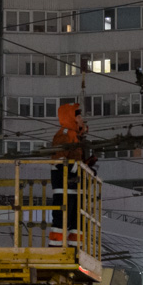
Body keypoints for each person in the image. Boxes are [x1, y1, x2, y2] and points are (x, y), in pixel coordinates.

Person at [47, 103, 94, 247]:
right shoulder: (64, 135)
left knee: (77, 221)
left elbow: (74, 161)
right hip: (64, 186)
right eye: (78, 116)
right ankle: (55, 248)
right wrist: (82, 170)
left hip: (75, 186)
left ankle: (75, 250)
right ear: (71, 118)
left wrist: (87, 167)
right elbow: (60, 161)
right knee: (61, 219)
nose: (82, 119)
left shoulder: (75, 137)